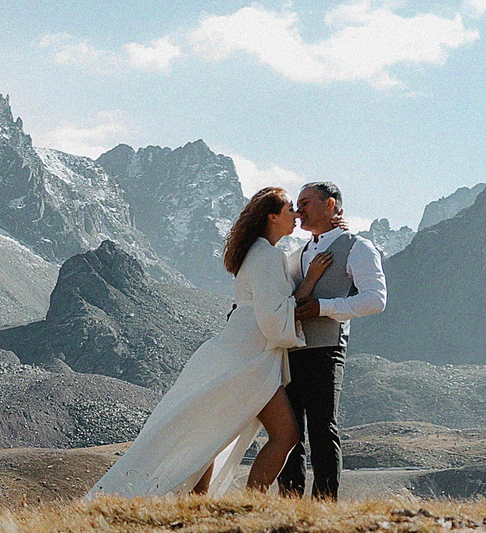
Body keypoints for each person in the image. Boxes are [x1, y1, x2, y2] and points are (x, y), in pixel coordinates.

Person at [87, 188, 336, 498]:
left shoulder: (260, 254)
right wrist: (311, 281)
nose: (296, 215)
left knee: (211, 430)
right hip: (250, 360)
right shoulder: (267, 256)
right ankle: (250, 502)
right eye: (289, 209)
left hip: (240, 354)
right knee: (284, 434)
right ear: (272, 216)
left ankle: (200, 501)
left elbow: (273, 305)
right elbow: (274, 317)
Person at [277, 181, 387, 501]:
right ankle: (290, 505)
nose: (299, 210)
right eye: (297, 203)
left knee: (323, 429)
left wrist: (324, 308)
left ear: (330, 205)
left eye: (306, 203)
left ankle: (324, 505)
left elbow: (376, 300)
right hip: (290, 349)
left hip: (326, 350)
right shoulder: (298, 252)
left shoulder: (358, 247)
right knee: (290, 433)